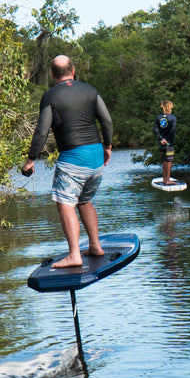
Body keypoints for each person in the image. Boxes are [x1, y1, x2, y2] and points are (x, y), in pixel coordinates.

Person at [22, 55, 113, 268]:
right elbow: (107, 120)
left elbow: (42, 130)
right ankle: (95, 246)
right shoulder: (90, 90)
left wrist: (30, 160)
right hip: (96, 157)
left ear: (52, 74)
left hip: (73, 159)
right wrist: (107, 148)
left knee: (65, 204)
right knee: (83, 200)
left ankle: (74, 254)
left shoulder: (50, 96)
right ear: (73, 70)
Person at [153, 100, 177, 185]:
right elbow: (172, 129)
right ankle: (167, 180)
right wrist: (166, 139)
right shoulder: (173, 118)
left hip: (161, 142)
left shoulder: (158, 117)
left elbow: (155, 129)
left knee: (164, 159)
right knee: (169, 160)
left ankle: (164, 179)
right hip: (169, 142)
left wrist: (161, 139)